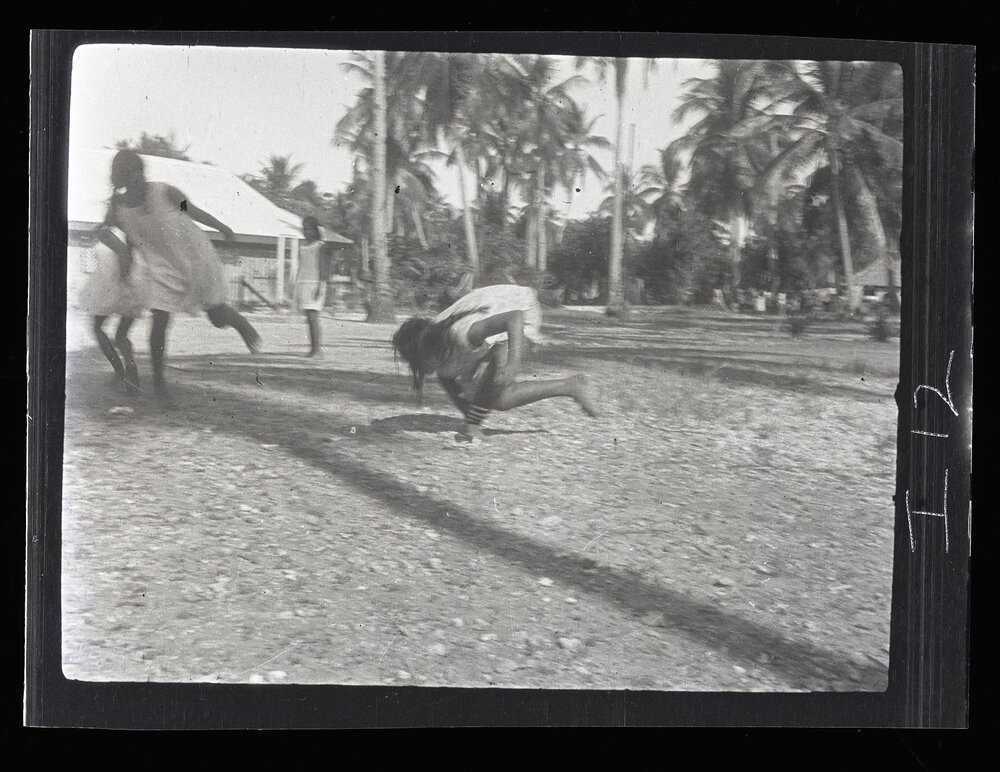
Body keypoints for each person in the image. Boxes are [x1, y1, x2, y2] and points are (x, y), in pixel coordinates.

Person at [98, 149, 261, 400]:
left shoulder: (166, 192)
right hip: (160, 268)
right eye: (132, 178)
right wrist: (126, 261)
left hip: (194, 258)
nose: (139, 182)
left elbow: (192, 211)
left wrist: (222, 227)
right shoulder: (119, 209)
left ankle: (237, 321)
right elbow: (124, 235)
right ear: (122, 180)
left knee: (217, 318)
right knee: (160, 320)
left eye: (141, 175)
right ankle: (160, 386)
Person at [392, 284, 598, 441]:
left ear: (433, 350)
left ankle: (573, 385)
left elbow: (514, 318)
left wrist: (512, 365)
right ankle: (570, 385)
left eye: (422, 361)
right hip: (491, 314)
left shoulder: (465, 333)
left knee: (500, 380)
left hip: (517, 306)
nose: (423, 369)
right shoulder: (439, 358)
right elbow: (459, 395)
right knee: (499, 400)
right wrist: (473, 418)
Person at [75, 232, 146, 393]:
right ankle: (129, 368)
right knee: (121, 334)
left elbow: (123, 252)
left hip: (117, 278)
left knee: (97, 327)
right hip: (136, 278)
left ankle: (120, 371)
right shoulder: (136, 223)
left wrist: (124, 280)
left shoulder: (111, 223)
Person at [293, 216, 332, 357]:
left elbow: (323, 269)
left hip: (315, 283)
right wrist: (296, 283)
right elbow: (301, 267)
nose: (306, 231)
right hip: (303, 283)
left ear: (315, 230)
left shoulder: (320, 246)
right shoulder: (302, 246)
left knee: (313, 316)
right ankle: (313, 348)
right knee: (308, 318)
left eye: (309, 228)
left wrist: (320, 287)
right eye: (305, 228)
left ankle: (317, 350)